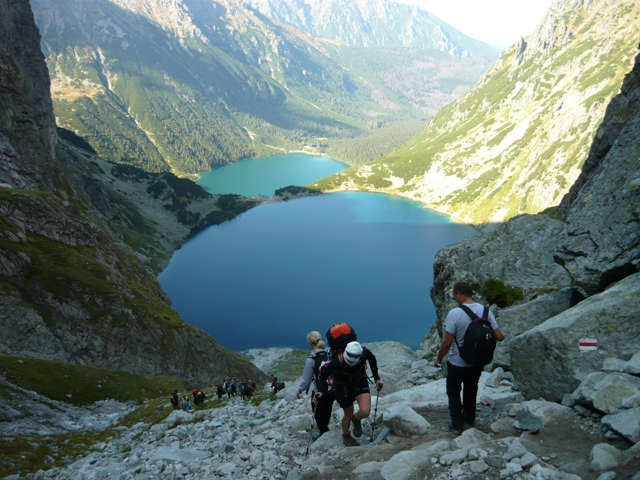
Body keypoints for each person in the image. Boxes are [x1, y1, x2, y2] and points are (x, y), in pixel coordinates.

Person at [433, 281, 505, 435]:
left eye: (454, 296)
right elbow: (499, 336)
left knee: (453, 391)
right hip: (477, 362)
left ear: (459, 294)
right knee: (471, 389)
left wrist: (438, 359)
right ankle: (470, 418)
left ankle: (457, 425)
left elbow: (447, 342)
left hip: (457, 363)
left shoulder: (455, 314)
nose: (455, 298)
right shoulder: (486, 311)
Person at [315, 340, 383, 447]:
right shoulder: (336, 361)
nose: (351, 362)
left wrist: (377, 379)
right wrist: (321, 391)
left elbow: (372, 360)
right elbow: (323, 374)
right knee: (348, 414)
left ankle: (356, 419)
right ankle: (346, 436)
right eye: (349, 360)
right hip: (342, 387)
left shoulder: (364, 353)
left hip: (359, 381)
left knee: (365, 411)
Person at [296, 331, 335, 440]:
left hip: (319, 391)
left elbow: (306, 380)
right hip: (333, 389)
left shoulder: (311, 359)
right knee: (328, 409)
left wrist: (300, 390)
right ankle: (325, 428)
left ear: (310, 343)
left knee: (317, 412)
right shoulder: (329, 353)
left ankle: (323, 433)